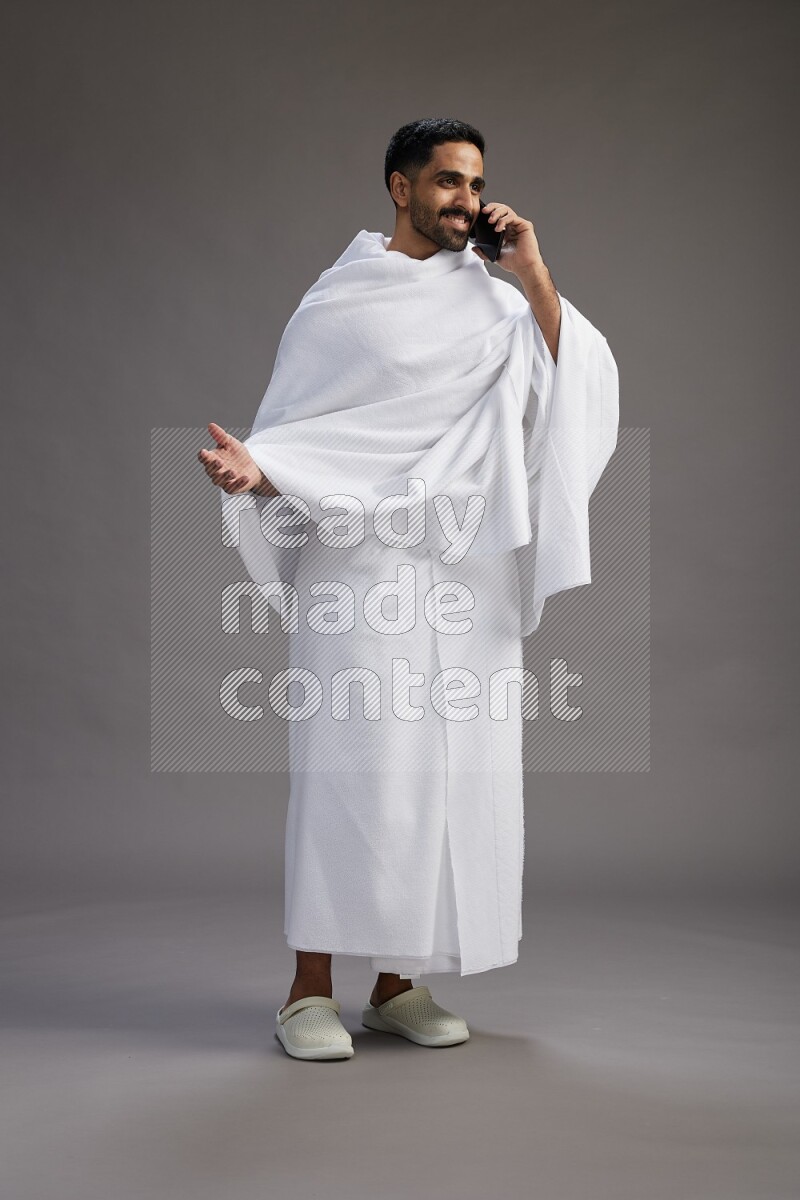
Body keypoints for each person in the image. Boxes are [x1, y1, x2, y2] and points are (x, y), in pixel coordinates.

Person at [198, 118, 619, 1060]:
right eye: (445, 182)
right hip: (361, 570)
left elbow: (573, 394)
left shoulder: (502, 306)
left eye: (474, 183)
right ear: (399, 188)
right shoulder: (341, 304)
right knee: (354, 770)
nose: (465, 200)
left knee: (445, 774)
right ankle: (308, 991)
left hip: (464, 574)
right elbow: (308, 435)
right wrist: (257, 472)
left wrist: (533, 273)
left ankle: (396, 984)